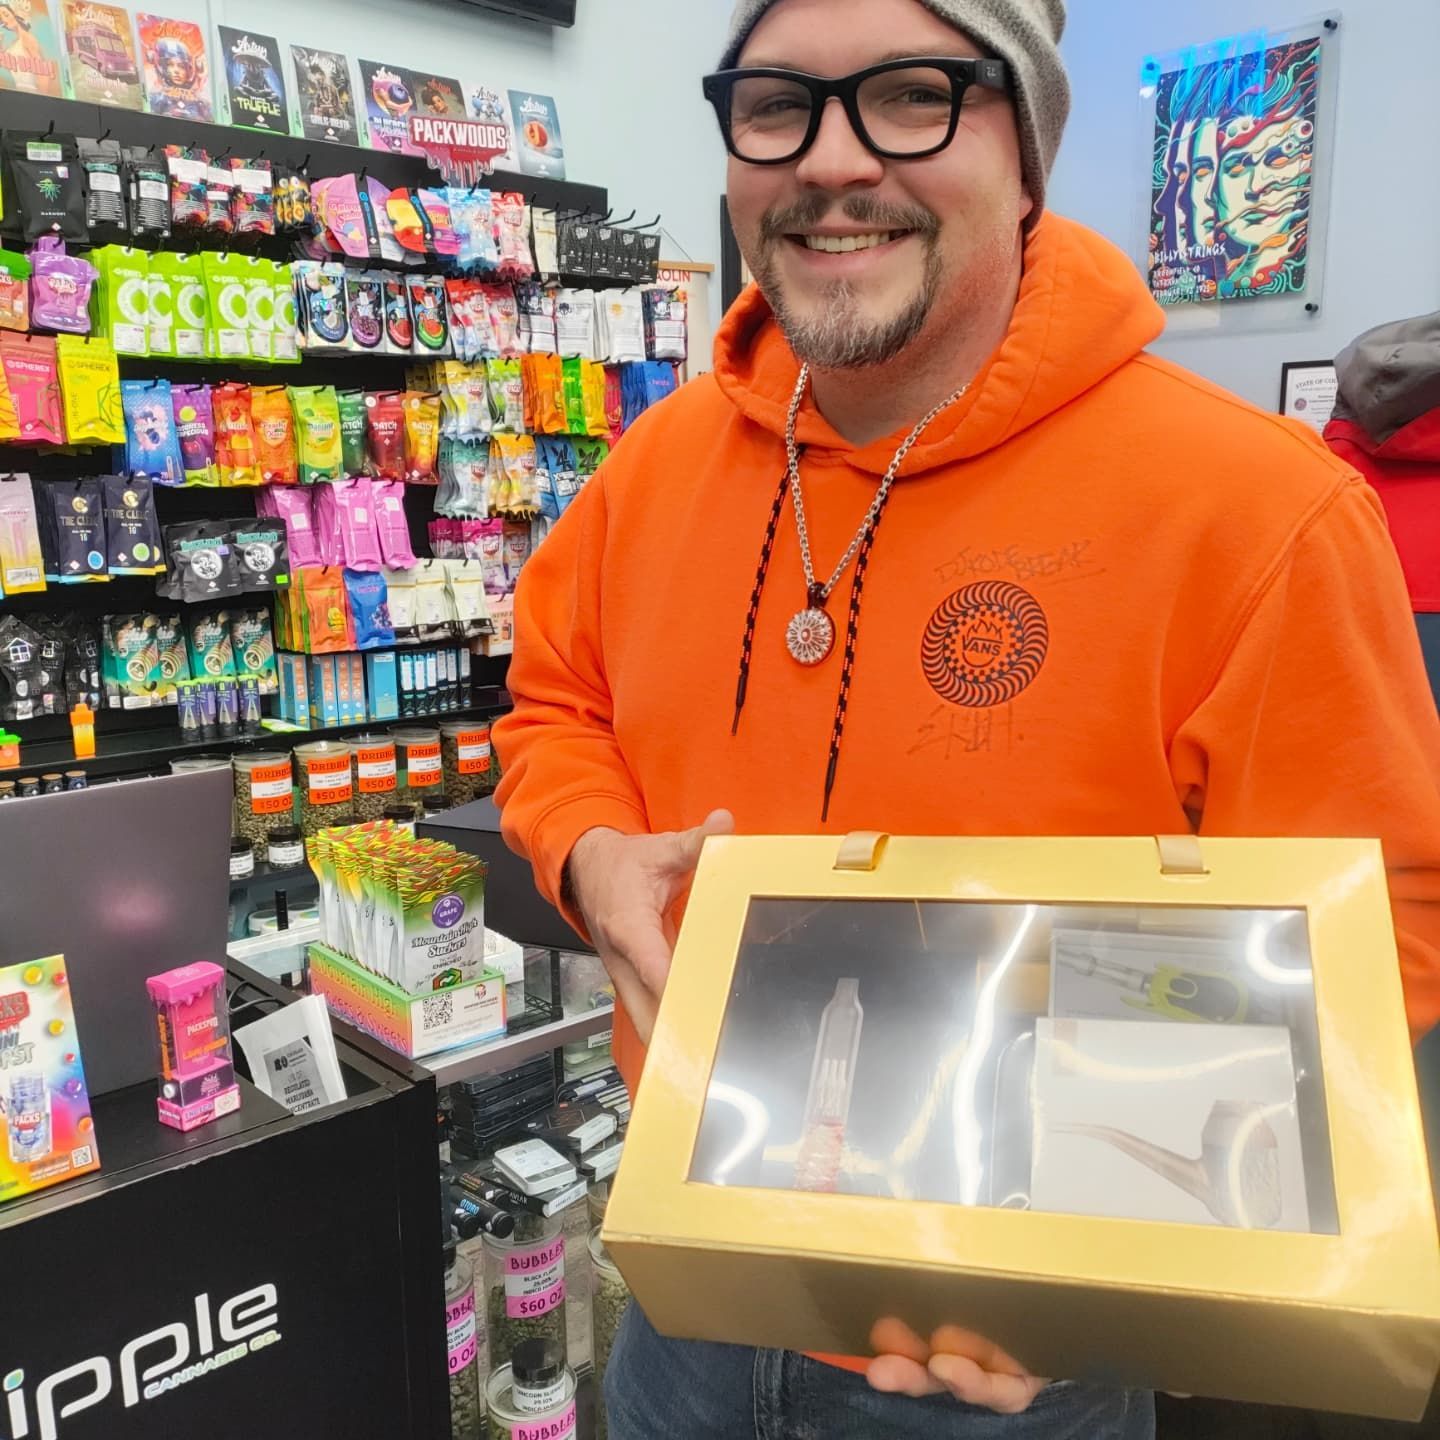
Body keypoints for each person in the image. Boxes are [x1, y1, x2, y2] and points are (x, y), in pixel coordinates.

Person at [494, 0, 1440, 1434]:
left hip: (1012, 1370)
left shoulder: (1262, 512)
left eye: (911, 94)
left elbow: (1382, 927)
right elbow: (557, 702)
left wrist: (1115, 1254)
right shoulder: (654, 467)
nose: (832, 161)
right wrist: (588, 848)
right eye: (776, 104)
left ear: (1027, 147)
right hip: (688, 1297)